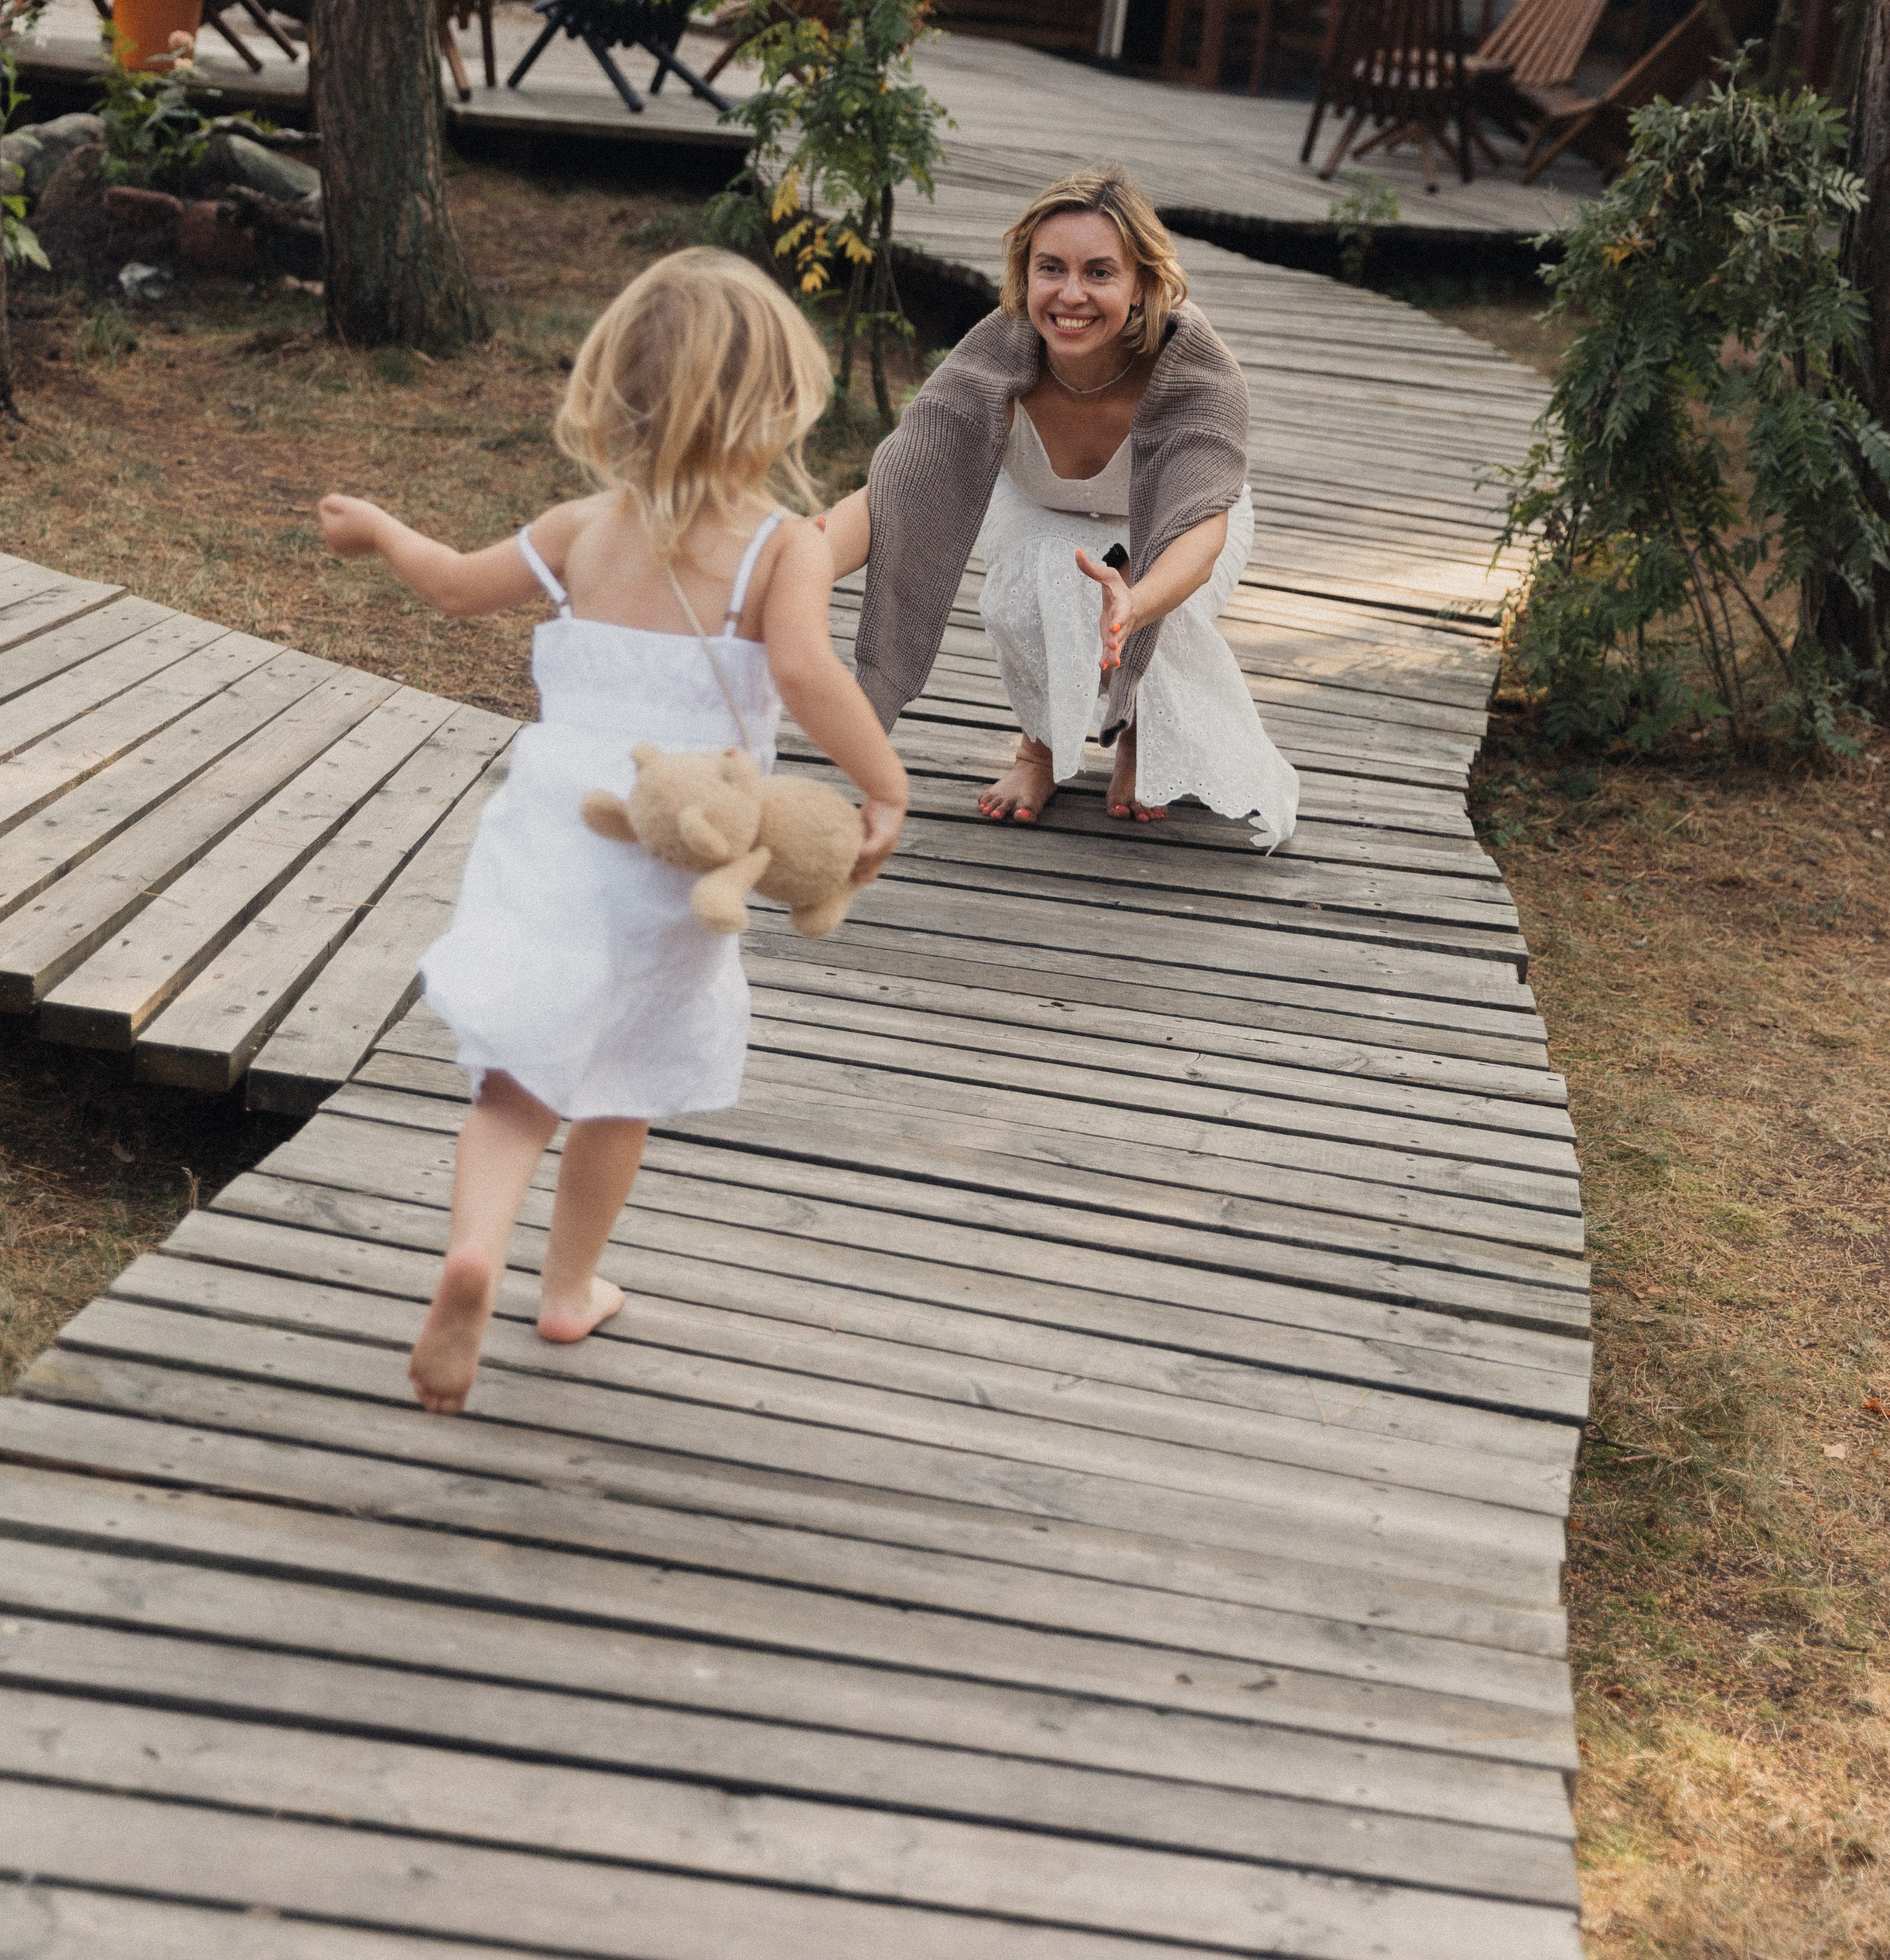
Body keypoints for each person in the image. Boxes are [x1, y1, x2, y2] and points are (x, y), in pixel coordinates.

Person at [317, 249, 909, 1416]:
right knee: (624, 1075)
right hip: (678, 849)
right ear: (778, 397)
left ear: (618, 390)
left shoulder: (585, 527)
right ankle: (569, 1286)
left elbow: (450, 586)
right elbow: (803, 668)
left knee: (517, 1074)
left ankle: (472, 1252)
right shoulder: (780, 545)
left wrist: (382, 529)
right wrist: (883, 785)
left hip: (556, 826)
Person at [821, 167, 1297, 843]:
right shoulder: (992, 359)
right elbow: (901, 488)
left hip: (1175, 527)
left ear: (1142, 286)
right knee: (1039, 576)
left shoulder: (1196, 372)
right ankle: (1037, 749)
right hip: (1040, 514)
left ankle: (1137, 736)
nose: (1071, 295)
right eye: (1051, 269)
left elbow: (1202, 527)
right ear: (1024, 276)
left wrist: (1138, 601)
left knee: (1143, 598)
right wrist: (802, 560)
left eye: (1100, 273)